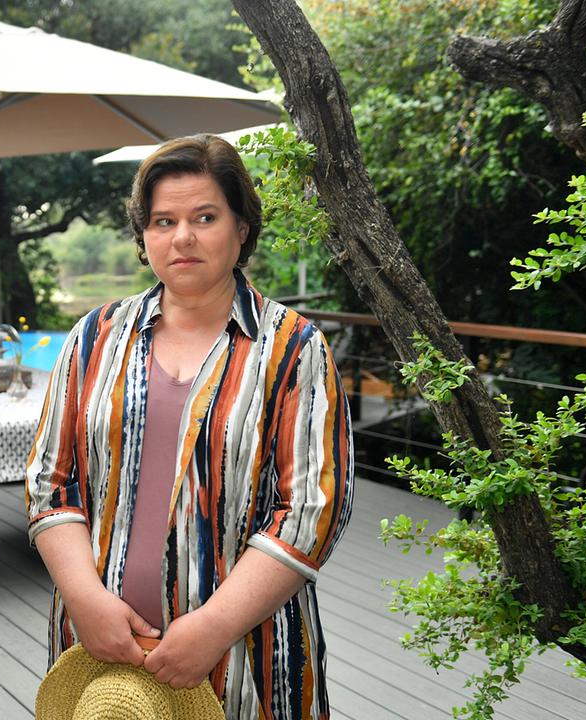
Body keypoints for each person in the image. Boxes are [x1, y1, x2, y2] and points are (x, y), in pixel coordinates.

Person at [26, 134, 354, 719]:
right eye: (163, 221)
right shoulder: (95, 338)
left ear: (242, 227)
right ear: (144, 234)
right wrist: (85, 601)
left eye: (205, 216)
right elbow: (51, 484)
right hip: (103, 658)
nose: (182, 238)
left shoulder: (293, 349)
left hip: (246, 655)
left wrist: (211, 628)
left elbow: (312, 509)